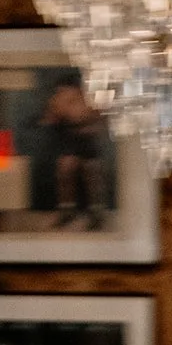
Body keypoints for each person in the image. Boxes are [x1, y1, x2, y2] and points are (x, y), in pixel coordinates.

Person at [39, 73, 107, 229]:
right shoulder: (59, 100)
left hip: (87, 141)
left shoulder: (88, 100)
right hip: (70, 140)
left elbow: (100, 118)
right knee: (65, 171)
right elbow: (50, 118)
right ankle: (67, 210)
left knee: (92, 173)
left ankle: (95, 213)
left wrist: (90, 125)